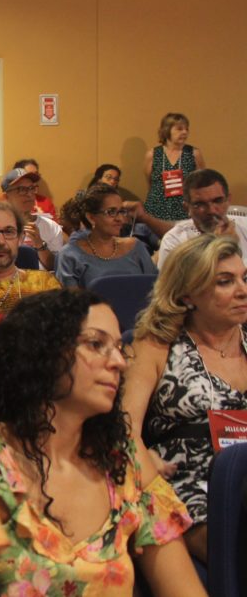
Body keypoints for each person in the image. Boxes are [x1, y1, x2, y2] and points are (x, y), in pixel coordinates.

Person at [0, 288, 204, 597]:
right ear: (42, 353)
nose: (119, 362)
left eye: (118, 347)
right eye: (95, 344)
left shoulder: (123, 454)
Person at [123, 233, 247, 563]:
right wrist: (145, 466)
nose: (243, 290)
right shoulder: (155, 345)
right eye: (225, 281)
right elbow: (125, 428)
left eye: (244, 278)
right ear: (188, 293)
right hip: (190, 481)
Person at [56, 184, 157, 288]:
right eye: (111, 212)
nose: (120, 219)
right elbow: (69, 301)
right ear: (91, 217)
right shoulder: (70, 255)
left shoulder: (136, 247)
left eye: (121, 211)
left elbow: (155, 290)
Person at [156, 168, 247, 268]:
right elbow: (171, 283)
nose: (211, 210)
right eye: (200, 204)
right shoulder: (174, 241)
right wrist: (222, 246)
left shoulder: (244, 226)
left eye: (217, 201)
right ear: (187, 208)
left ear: (228, 200)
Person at [143, 112, 206, 222]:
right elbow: (150, 183)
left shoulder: (194, 153)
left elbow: (202, 184)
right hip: (155, 213)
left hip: (185, 214)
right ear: (167, 130)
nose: (185, 132)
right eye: (179, 129)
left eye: (187, 129)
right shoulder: (152, 154)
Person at [0, 167, 64, 270]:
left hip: (43, 284)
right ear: (6, 197)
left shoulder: (51, 227)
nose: (30, 194)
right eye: (22, 190)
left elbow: (55, 268)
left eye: (31, 188)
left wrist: (40, 244)